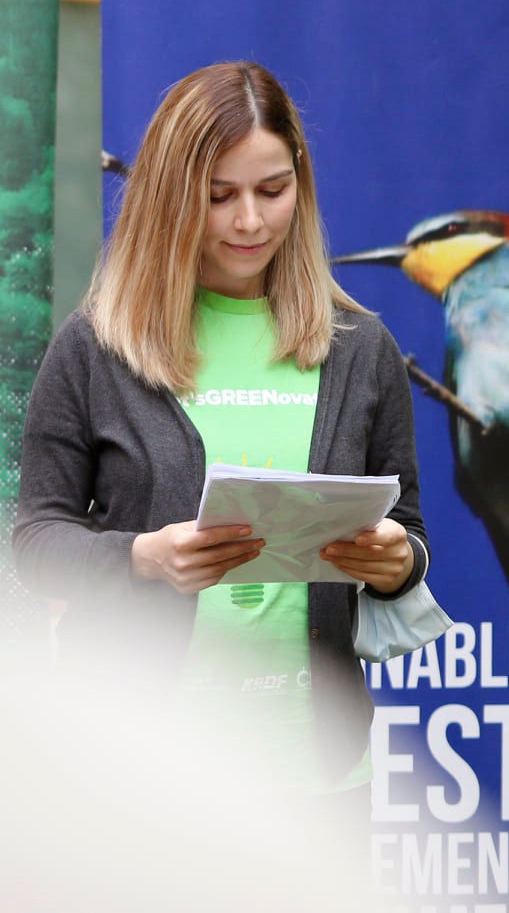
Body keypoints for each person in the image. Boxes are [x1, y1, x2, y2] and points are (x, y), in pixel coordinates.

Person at [13, 60, 429, 803]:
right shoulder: (95, 347)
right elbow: (37, 543)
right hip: (138, 782)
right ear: (169, 196)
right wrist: (142, 558)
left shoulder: (361, 349)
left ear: (301, 181)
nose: (250, 221)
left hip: (321, 786)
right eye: (218, 196)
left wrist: (397, 563)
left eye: (273, 190)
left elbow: (409, 535)